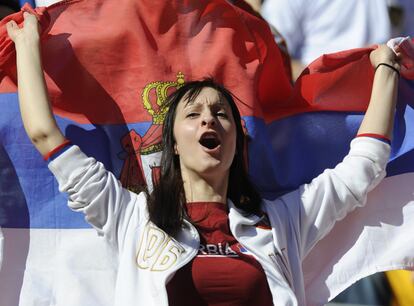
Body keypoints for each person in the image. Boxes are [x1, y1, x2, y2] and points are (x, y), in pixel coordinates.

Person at [7, 11, 401, 306]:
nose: (209, 119)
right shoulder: (129, 218)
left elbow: (363, 167)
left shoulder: (283, 222)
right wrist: (27, 48)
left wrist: (385, 69)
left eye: (222, 114)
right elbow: (45, 134)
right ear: (173, 143)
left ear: (235, 141)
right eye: (193, 115)